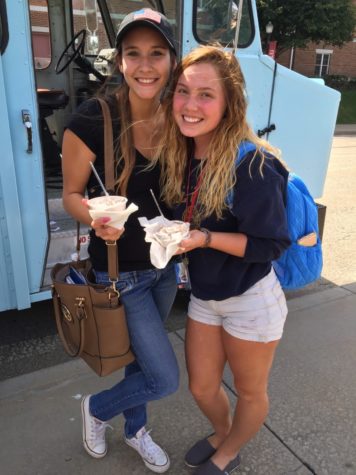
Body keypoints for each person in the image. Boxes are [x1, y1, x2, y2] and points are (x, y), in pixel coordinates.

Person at [157, 45, 291, 475]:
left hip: (251, 298)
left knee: (251, 392)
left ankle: (228, 451)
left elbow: (271, 244)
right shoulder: (184, 152)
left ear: (230, 103)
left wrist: (206, 238)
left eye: (206, 95)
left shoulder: (252, 165)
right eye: (182, 91)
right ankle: (222, 431)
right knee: (201, 386)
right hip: (206, 295)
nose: (190, 105)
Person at [61, 9, 179, 473]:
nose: (145, 65)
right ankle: (96, 408)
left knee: (141, 364)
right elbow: (72, 194)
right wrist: (94, 217)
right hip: (121, 272)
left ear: (172, 60)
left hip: (166, 266)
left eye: (156, 53)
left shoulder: (179, 117)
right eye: (134, 54)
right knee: (164, 378)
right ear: (120, 62)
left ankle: (135, 429)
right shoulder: (93, 120)